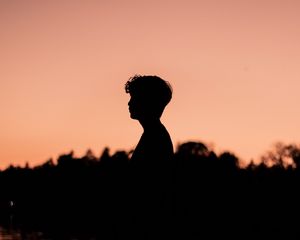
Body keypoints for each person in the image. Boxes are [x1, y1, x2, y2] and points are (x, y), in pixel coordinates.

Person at [125, 74, 174, 239]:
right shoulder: (154, 134)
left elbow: (147, 191)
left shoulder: (155, 137)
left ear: (148, 102)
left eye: (135, 98)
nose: (129, 103)